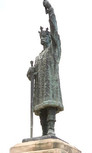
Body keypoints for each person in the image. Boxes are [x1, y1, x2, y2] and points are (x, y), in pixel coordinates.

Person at [27, 0, 63, 136]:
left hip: (50, 87)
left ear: (49, 38)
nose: (43, 38)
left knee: (50, 106)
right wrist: (30, 72)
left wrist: (51, 13)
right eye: (41, 37)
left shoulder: (53, 50)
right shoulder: (38, 57)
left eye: (45, 36)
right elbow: (32, 73)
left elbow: (55, 31)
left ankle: (51, 129)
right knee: (42, 110)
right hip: (41, 88)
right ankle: (44, 132)